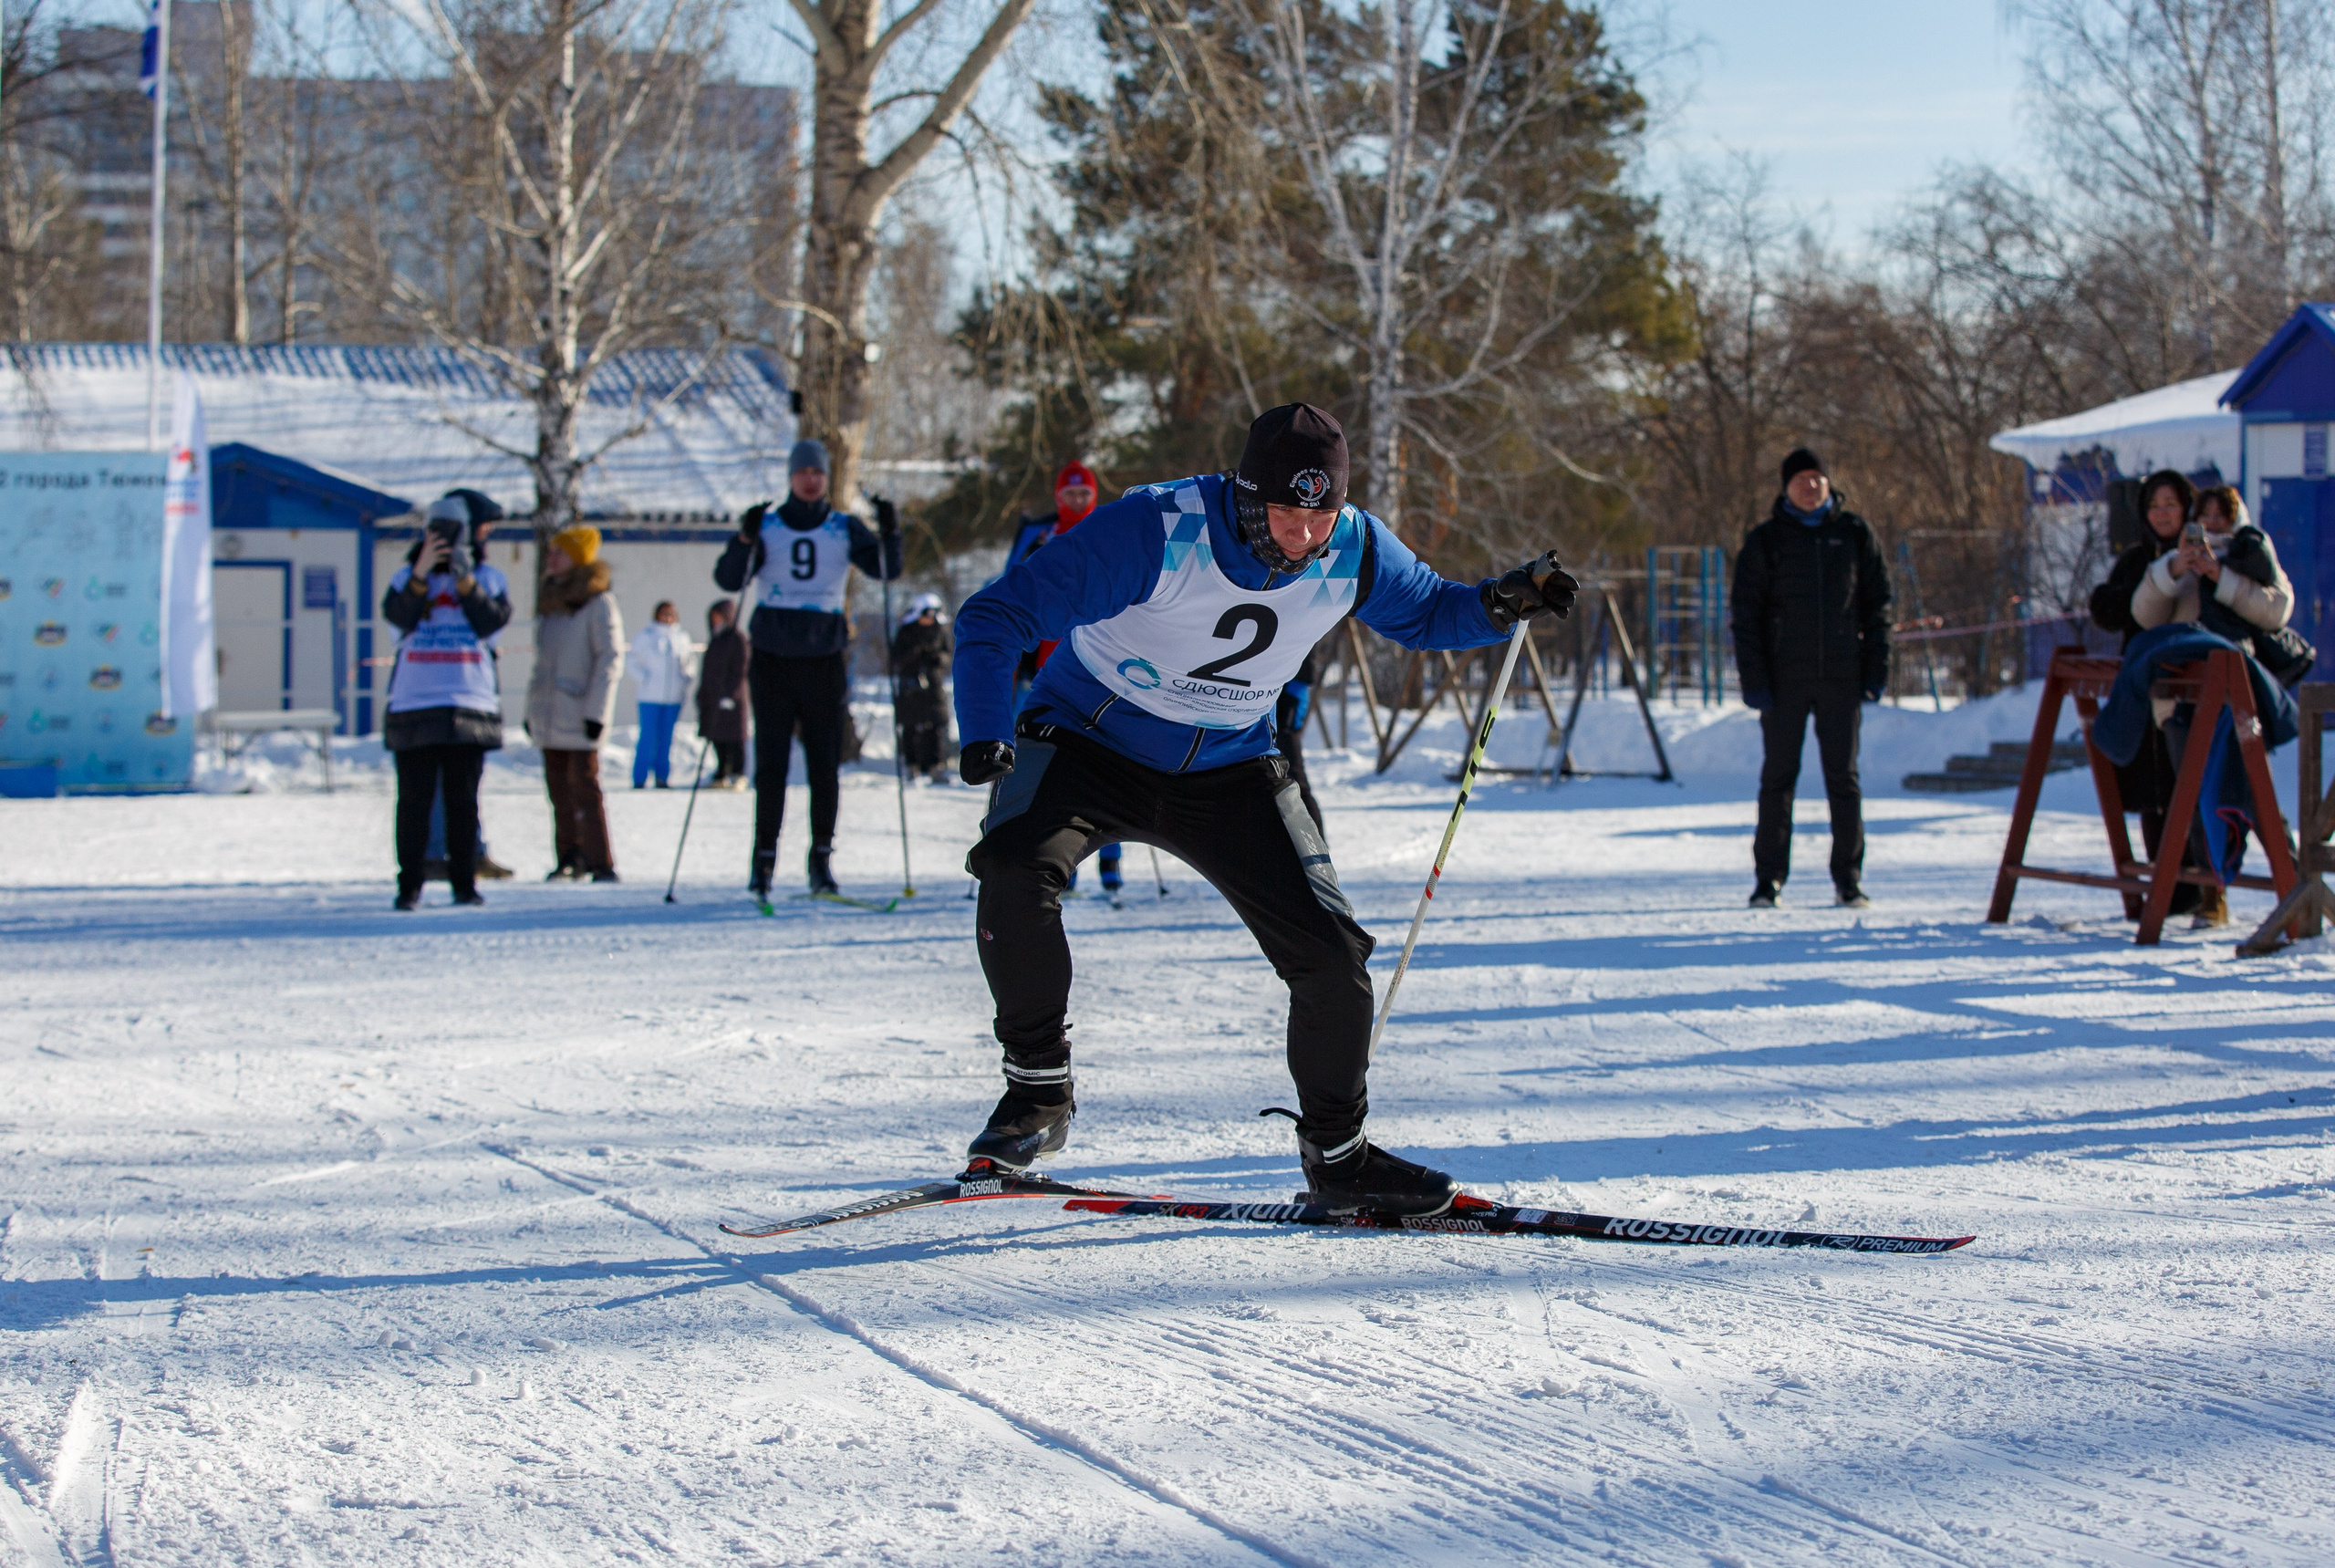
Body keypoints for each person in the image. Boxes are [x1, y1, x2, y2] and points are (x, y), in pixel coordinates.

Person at [952, 402, 1576, 1216]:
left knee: (1333, 954)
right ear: (1247, 495)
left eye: (1322, 515)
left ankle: (1340, 1156)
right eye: (1288, 512)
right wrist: (985, 730)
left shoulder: (1352, 543)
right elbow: (996, 615)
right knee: (1009, 866)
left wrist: (1500, 601)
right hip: (1087, 736)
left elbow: (1424, 611)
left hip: (1229, 761)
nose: (1306, 536)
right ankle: (1037, 1093)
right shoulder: (1158, 528)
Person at [713, 439, 905, 898]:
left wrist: (890, 530)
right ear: (791, 476)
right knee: (772, 765)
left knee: (825, 765)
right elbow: (727, 580)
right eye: (803, 472)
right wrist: (744, 537)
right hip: (773, 660)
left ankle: (821, 860)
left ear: (826, 477)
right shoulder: (769, 524)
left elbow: (886, 569)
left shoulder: (842, 526)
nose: (811, 479)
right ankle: (763, 861)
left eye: (818, 472)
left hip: (823, 660)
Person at [2131, 480, 2297, 928]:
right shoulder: (2177, 560)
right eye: (2205, 516)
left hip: (2240, 697)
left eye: (2221, 516)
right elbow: (2144, 615)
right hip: (2184, 701)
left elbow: (2277, 610)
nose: (2213, 526)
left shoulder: (2251, 550)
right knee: (2194, 791)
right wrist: (2175, 569)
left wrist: (2221, 577)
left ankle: (2295, 886)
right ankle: (2212, 894)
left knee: (2255, 790)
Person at [1732, 446, 1892, 910]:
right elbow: (1746, 614)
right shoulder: (1766, 541)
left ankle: (1848, 879)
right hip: (1784, 681)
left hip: (1842, 676)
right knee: (1778, 779)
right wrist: (1755, 679)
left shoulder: (1854, 534)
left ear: (1828, 483)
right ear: (1785, 487)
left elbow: (1878, 605)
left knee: (1844, 778)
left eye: (1816, 478)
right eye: (1800, 479)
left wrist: (1877, 668)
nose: (1810, 486)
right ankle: (1769, 879)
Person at [381, 493, 514, 909]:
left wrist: (465, 581)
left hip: (467, 701)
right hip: (414, 703)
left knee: (463, 801)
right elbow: (398, 618)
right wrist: (421, 572)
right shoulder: (406, 576)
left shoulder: (488, 578)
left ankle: (464, 882)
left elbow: (491, 622)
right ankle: (410, 885)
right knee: (414, 802)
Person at [2090, 470, 2204, 919]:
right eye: (2154, 506)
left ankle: (2198, 888)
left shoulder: (2205, 558)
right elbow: (2106, 610)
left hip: (2192, 693)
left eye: (2171, 505)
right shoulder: (2136, 559)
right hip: (2143, 691)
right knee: (2149, 792)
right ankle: (2162, 884)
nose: (2162, 514)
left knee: (2189, 782)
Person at [419, 490, 516, 882]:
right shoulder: (419, 575)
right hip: (433, 688)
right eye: (484, 528)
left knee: (465, 782)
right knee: (438, 782)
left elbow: (492, 621)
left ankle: (469, 848)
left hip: (474, 688)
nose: (487, 536)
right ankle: (434, 851)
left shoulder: (487, 578)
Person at [527, 525, 625, 881]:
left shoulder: (598, 603)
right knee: (558, 791)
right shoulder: (552, 602)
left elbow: (608, 658)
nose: (551, 559)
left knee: (585, 789)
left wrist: (596, 712)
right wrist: (531, 711)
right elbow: (542, 665)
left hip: (580, 712)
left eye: (560, 553)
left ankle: (601, 860)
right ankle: (570, 856)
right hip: (550, 713)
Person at [628, 600, 697, 789]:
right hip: (650, 697)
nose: (667, 617)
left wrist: (685, 679)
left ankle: (662, 776)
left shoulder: (681, 637)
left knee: (666, 739)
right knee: (647, 737)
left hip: (673, 698)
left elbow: (689, 662)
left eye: (671, 613)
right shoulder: (647, 636)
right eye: (664, 613)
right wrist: (644, 678)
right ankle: (640, 778)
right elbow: (631, 660)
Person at [892, 592, 954, 783]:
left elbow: (947, 654)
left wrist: (936, 658)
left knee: (935, 725)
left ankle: (935, 765)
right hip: (911, 685)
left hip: (933, 684)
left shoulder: (940, 631)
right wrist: (915, 654)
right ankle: (912, 765)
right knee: (910, 725)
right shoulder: (906, 631)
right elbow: (896, 658)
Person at [698, 598, 750, 788]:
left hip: (731, 698)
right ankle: (722, 773)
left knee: (735, 738)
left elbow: (741, 670)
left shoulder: (737, 638)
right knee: (718, 737)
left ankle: (738, 773)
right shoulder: (715, 639)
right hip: (713, 697)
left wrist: (730, 694)